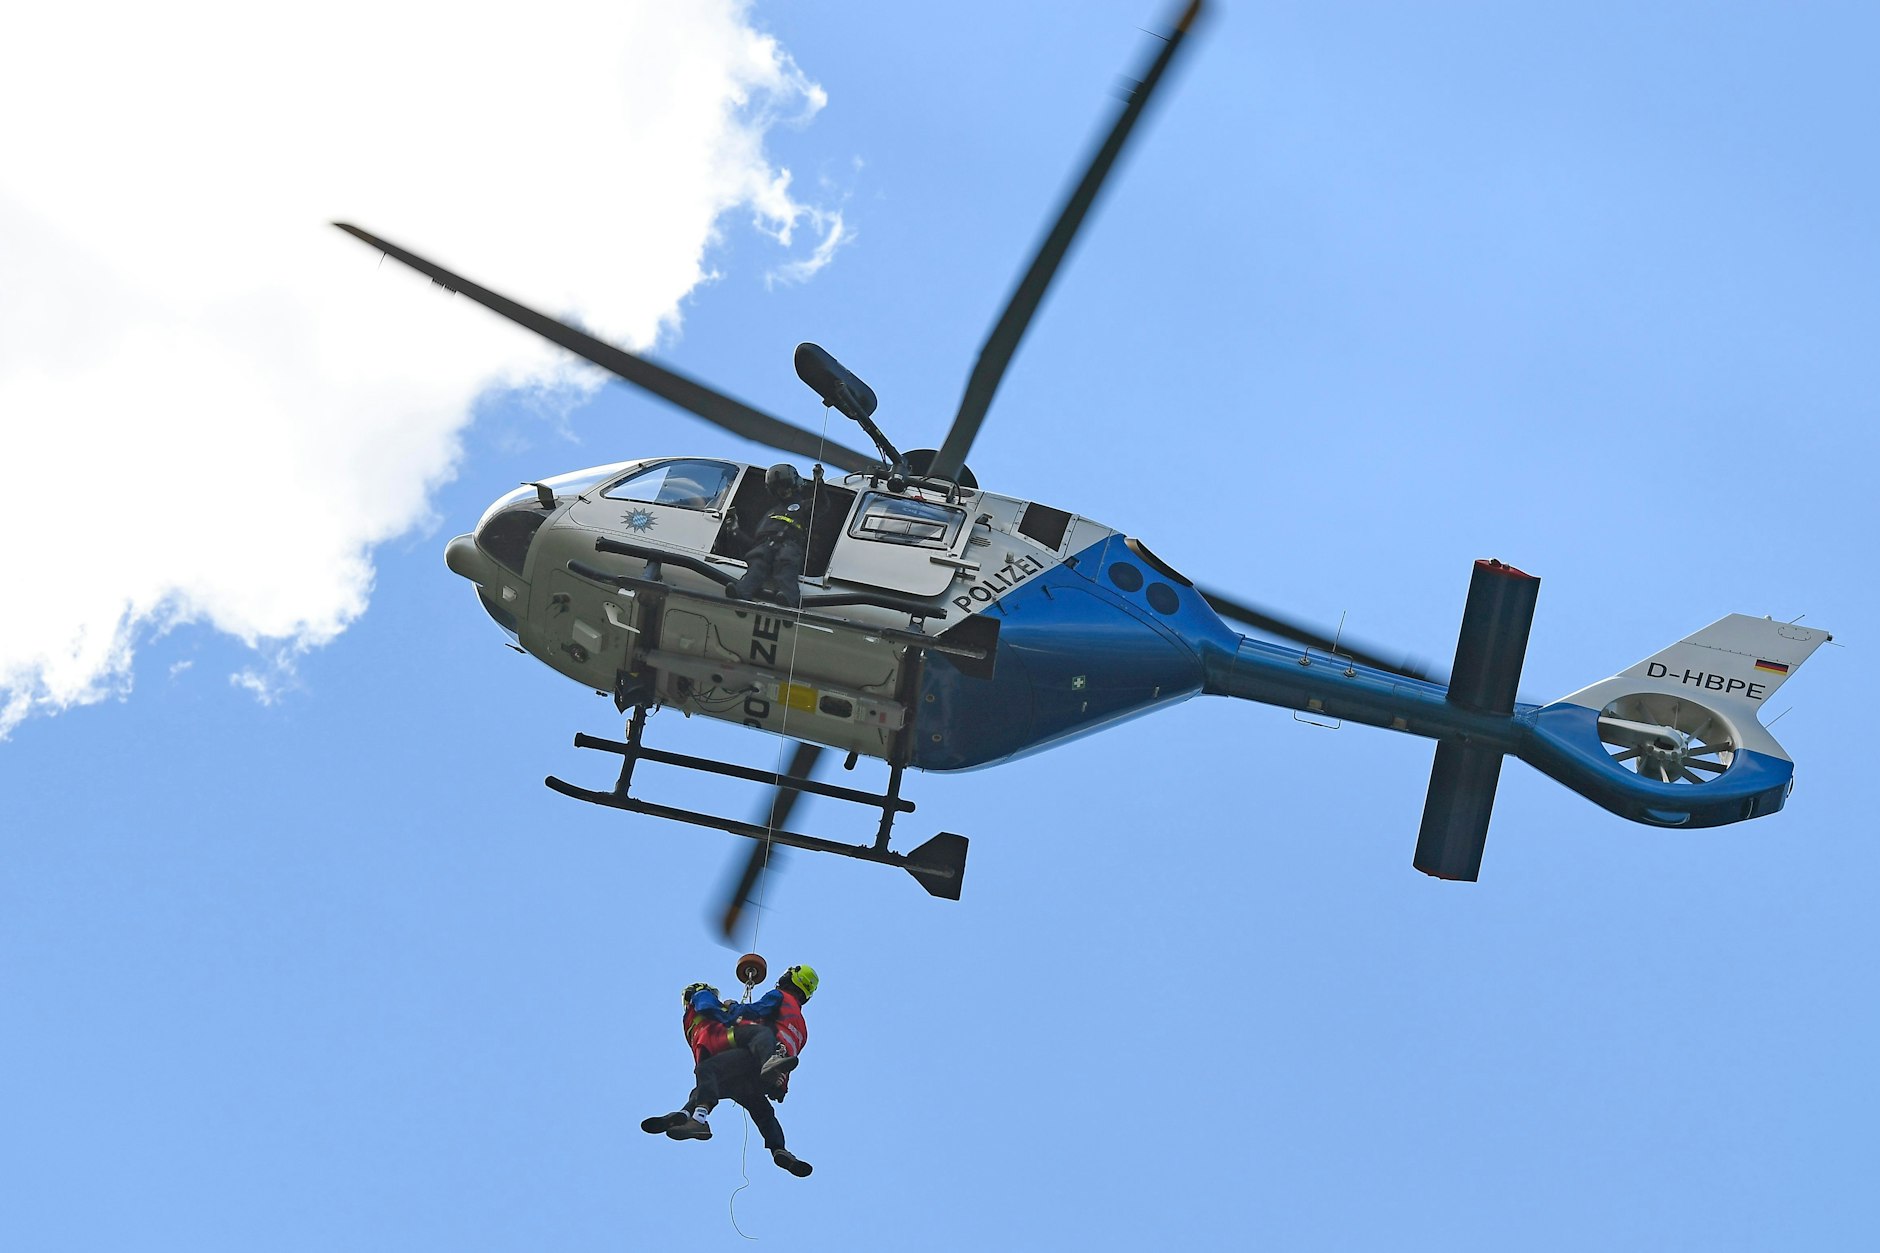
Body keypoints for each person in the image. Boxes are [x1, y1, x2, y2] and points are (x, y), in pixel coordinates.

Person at [641, 974, 817, 1178]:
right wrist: (780, 1086)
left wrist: (733, 1008)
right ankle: (779, 1148)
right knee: (763, 1112)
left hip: (755, 1060)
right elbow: (790, 1048)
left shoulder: (778, 996)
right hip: (767, 1075)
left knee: (707, 1072)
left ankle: (694, 1117)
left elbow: (754, 1011)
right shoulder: (803, 1027)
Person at [728, 464, 816, 607]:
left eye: (786, 487)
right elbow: (754, 545)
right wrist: (735, 531)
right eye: (780, 489)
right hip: (766, 546)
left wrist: (819, 482)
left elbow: (821, 505)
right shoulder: (771, 513)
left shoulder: (804, 506)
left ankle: (789, 598)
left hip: (789, 545)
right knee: (757, 564)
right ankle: (742, 591)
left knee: (786, 565)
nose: (784, 492)